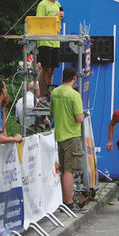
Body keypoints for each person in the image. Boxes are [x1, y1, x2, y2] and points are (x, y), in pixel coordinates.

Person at [50, 67, 84, 211]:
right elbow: (79, 118)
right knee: (69, 171)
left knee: (63, 169)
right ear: (74, 78)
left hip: (59, 135)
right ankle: (68, 202)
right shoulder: (74, 94)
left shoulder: (55, 92)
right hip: (71, 135)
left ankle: (64, 200)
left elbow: (51, 113)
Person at [36, 0, 64, 98]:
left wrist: (60, 19)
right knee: (45, 68)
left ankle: (47, 93)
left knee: (52, 70)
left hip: (55, 41)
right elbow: (39, 23)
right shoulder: (43, 4)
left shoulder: (57, 5)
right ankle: (42, 95)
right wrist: (55, 17)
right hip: (45, 40)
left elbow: (58, 24)